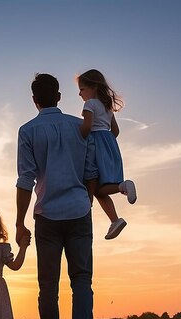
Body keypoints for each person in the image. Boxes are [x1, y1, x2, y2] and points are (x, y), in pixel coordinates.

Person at [16, 73, 96, 319]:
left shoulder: (28, 131)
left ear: (34, 100)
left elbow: (25, 179)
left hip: (47, 215)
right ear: (59, 97)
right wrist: (86, 202)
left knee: (48, 286)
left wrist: (19, 221)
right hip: (78, 210)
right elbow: (90, 172)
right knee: (82, 279)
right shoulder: (78, 126)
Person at [78, 69, 137, 240]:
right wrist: (107, 143)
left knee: (92, 183)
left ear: (94, 87)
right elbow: (115, 131)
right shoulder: (107, 106)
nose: (79, 93)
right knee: (99, 190)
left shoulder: (89, 105)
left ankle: (122, 187)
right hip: (109, 143)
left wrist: (78, 138)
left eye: (82, 89)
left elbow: (87, 127)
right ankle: (115, 220)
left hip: (94, 145)